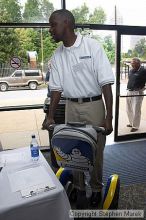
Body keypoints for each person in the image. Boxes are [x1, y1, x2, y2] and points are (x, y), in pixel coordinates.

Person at [47, 9, 114, 208]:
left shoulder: (92, 47)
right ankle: (79, 187)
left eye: (53, 25)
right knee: (72, 148)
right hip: (71, 106)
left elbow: (106, 84)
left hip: (93, 105)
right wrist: (50, 116)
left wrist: (109, 117)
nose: (50, 29)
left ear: (66, 23)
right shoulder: (57, 55)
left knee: (94, 151)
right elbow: (56, 90)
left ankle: (95, 188)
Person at [126, 58, 146, 132]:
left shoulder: (143, 70)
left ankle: (135, 126)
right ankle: (131, 123)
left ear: (138, 63)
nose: (131, 64)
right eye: (131, 63)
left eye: (133, 63)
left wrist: (143, 88)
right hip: (129, 91)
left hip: (137, 93)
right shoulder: (131, 70)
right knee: (128, 109)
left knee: (136, 110)